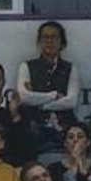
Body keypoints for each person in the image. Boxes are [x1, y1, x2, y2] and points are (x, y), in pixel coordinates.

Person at [16, 20, 82, 159]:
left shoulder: (71, 68)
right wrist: (54, 95)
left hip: (64, 126)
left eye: (54, 37)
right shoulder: (26, 66)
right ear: (39, 42)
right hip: (34, 127)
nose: (49, 41)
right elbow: (23, 97)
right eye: (45, 37)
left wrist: (39, 102)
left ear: (62, 42)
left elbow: (71, 101)